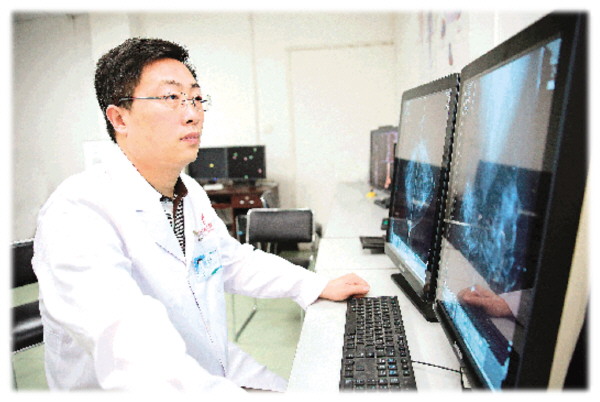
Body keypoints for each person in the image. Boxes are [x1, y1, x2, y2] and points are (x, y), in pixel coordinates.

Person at [32, 37, 370, 392]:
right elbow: (134, 352)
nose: (192, 113)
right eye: (170, 97)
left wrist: (315, 285)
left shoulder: (188, 191)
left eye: (195, 98)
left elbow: (229, 260)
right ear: (120, 118)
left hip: (212, 365)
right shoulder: (78, 213)